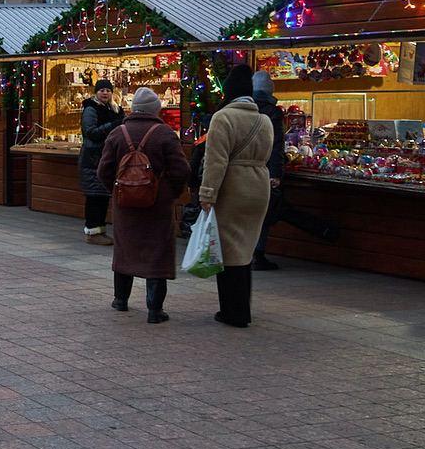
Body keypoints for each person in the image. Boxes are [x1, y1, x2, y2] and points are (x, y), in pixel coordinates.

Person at [97, 87, 190, 324]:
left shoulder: (118, 133)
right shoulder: (165, 134)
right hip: (157, 206)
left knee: (125, 248)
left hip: (125, 205)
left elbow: (103, 171)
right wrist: (168, 193)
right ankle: (154, 310)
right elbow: (181, 170)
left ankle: (120, 300)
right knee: (157, 252)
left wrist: (119, 191)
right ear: (156, 109)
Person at [200, 64, 274, 328]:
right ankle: (242, 308)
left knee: (228, 251)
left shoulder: (223, 118)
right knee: (245, 249)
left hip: (233, 188)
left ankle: (234, 312)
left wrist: (207, 194)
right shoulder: (264, 119)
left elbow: (215, 162)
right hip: (259, 187)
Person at [251, 71, 337, 269]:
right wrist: (276, 173)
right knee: (264, 214)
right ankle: (257, 254)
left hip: (245, 171)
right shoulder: (272, 112)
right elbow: (276, 146)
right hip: (263, 171)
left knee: (253, 214)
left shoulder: (243, 109)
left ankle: (246, 253)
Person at [79, 79, 124, 245]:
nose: (105, 93)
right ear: (95, 92)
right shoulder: (91, 108)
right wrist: (113, 125)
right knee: (94, 196)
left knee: (103, 195)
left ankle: (99, 230)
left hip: (105, 157)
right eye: (102, 90)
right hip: (93, 158)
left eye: (108, 90)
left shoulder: (114, 108)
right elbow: (90, 132)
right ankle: (92, 231)